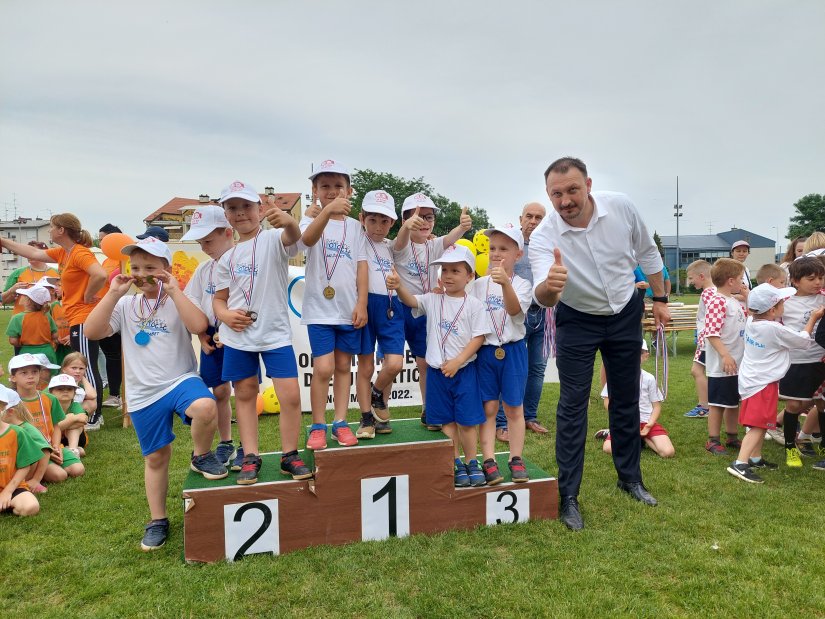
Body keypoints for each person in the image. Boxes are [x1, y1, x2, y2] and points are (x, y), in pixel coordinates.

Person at [530, 156, 665, 531]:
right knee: (572, 404)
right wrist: (550, 285)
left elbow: (648, 254)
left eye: (572, 190)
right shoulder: (544, 237)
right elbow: (543, 297)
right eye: (556, 194)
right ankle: (568, 496)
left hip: (624, 311)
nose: (565, 201)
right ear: (548, 194)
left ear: (588, 185)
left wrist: (661, 299)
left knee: (625, 396)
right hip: (577, 318)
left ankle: (630, 478)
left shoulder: (621, 206)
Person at [84, 236, 227, 551]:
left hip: (180, 379)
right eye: (135, 267)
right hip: (143, 393)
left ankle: (201, 455)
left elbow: (199, 323)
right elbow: (92, 331)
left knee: (205, 406)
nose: (141, 273)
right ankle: (158, 520)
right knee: (156, 457)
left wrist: (175, 290)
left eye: (150, 267)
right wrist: (112, 293)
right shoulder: (125, 303)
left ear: (166, 268)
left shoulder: (179, 297)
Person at [213, 183, 311, 484]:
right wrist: (225, 315)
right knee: (244, 394)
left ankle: (289, 455)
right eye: (233, 208)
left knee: (291, 396)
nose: (240, 213)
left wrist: (290, 221)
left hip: (275, 334)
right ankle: (250, 456)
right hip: (238, 337)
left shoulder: (272, 238)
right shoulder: (226, 258)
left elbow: (296, 239)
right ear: (226, 215)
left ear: (259, 209)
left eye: (246, 206)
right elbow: (219, 299)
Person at [387, 244, 490, 487]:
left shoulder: (474, 305)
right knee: (447, 421)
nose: (448, 276)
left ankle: (472, 461)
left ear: (470, 276)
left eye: (456, 271)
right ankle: (454, 461)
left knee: (466, 421)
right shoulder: (432, 299)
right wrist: (398, 284)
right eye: (445, 270)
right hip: (436, 373)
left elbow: (479, 338)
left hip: (463, 371)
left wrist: (457, 361)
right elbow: (411, 300)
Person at [0, 214, 108, 429]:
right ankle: (90, 411)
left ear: (61, 230)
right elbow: (32, 252)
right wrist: (3, 241)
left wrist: (87, 295)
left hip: (84, 318)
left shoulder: (79, 252)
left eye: (51, 227)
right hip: (77, 317)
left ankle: (95, 415)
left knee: (85, 367)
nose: (49, 231)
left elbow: (100, 275)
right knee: (83, 366)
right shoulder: (64, 253)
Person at [299, 160, 368, 451]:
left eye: (338, 186)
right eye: (324, 186)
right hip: (318, 309)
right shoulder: (310, 220)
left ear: (349, 191)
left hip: (347, 308)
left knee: (343, 367)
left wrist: (362, 303)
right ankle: (318, 424)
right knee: (323, 367)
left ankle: (340, 422)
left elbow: (362, 267)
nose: (331, 191)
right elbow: (306, 240)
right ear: (315, 190)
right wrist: (325, 213)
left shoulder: (356, 227)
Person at [392, 192, 473, 431]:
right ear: (405, 219)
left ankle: (430, 409)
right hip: (400, 308)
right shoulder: (401, 247)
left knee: (426, 363)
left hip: (425, 310)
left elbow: (449, 240)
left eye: (429, 217)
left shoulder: (434, 245)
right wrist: (407, 227)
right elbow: (399, 241)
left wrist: (462, 227)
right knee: (391, 362)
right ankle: (379, 411)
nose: (425, 222)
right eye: (418, 217)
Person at [728, 284, 823, 483]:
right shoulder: (772, 328)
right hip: (761, 383)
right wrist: (814, 317)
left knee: (763, 422)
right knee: (758, 425)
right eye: (781, 303)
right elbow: (802, 341)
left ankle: (755, 458)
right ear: (772, 310)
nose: (784, 305)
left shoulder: (752, 320)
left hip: (753, 381)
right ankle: (740, 463)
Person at [471, 224, 533, 484]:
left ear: (518, 254)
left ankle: (515, 458)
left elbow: (515, 313)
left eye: (504, 249)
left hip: (513, 351)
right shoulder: (477, 285)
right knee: (488, 408)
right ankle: (488, 459)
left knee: (514, 408)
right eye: (492, 248)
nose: (496, 254)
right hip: (485, 352)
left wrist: (505, 284)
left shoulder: (523, 285)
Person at [182, 205, 237, 469]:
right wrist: (203, 334)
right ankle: (226, 442)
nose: (204, 246)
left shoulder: (243, 262)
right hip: (213, 337)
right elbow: (192, 302)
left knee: (245, 390)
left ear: (228, 232)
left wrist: (228, 331)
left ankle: (248, 451)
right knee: (219, 391)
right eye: (200, 241)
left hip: (240, 333)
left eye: (208, 240)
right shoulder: (204, 269)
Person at [494, 202, 551, 443]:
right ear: (521, 218)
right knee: (510, 369)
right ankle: (501, 422)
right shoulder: (513, 246)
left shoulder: (547, 245)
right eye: (530, 216)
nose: (534, 221)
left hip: (545, 313)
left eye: (539, 217)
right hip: (517, 313)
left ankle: (530, 416)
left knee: (537, 368)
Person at [354, 190, 405, 439]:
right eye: (372, 220)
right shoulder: (356, 240)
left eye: (384, 221)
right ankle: (367, 418)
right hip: (365, 306)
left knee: (394, 363)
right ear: (362, 218)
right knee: (365, 366)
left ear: (392, 223)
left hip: (390, 305)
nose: (378, 227)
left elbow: (409, 242)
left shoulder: (391, 247)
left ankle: (377, 395)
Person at [777, 256, 825, 467]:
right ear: (795, 281)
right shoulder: (784, 304)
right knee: (794, 404)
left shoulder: (823, 297)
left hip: (820, 359)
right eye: (812, 278)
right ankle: (790, 446)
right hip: (796, 362)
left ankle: (822, 441)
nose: (818, 282)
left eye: (821, 278)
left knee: (822, 402)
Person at [9, 353, 85, 483]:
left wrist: (55, 446)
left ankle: (55, 459)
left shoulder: (49, 399)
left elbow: (56, 426)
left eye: (34, 371)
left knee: (78, 470)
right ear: (13, 377)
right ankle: (35, 471)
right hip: (32, 452)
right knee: (59, 476)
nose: (30, 376)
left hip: (51, 445)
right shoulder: (11, 403)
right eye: (24, 373)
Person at [598, 341, 674, 458]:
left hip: (646, 421)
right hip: (624, 421)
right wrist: (618, 417)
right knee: (608, 448)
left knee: (668, 452)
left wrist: (649, 426)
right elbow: (607, 400)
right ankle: (622, 434)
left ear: (645, 356)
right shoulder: (615, 376)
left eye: (638, 353)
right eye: (629, 352)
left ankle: (640, 438)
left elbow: (657, 406)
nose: (633, 356)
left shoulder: (649, 378)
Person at [703, 258, 746, 456]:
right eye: (740, 279)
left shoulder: (734, 300)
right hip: (723, 364)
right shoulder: (717, 302)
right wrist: (725, 355)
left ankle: (732, 435)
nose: (742, 283)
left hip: (736, 363)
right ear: (730, 281)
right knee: (718, 403)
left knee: (732, 401)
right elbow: (711, 332)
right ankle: (712, 440)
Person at [0, 385, 42, 516]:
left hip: (13, 486)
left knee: (31, 507)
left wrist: (7, 492)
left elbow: (25, 466)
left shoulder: (17, 433)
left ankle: (7, 500)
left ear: (3, 407)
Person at [683, 260, 715, 419]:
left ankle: (705, 406)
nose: (690, 282)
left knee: (696, 371)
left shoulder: (708, 293)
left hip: (707, 342)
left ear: (701, 276)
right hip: (709, 341)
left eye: (691, 278)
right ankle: (710, 404)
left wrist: (704, 338)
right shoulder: (714, 291)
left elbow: (712, 318)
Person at [98, 224, 124, 409]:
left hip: (120, 312)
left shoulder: (125, 260)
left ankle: (118, 393)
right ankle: (114, 393)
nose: (100, 243)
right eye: (99, 240)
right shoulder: (106, 261)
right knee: (111, 355)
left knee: (117, 355)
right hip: (105, 312)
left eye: (103, 239)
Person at [1, 240, 59, 315]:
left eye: (32, 251)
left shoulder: (57, 273)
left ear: (44, 253)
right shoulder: (17, 273)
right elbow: (3, 300)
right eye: (27, 251)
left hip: (49, 319)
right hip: (23, 319)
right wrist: (12, 290)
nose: (28, 254)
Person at [5, 284, 58, 364]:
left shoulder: (17, 318)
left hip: (27, 352)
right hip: (47, 351)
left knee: (29, 374)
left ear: (28, 301)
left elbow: (13, 340)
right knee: (49, 375)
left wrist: (21, 344)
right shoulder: (46, 316)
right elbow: (55, 335)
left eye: (24, 296)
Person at [49, 374, 89, 458]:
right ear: (51, 392)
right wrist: (72, 418)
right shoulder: (48, 406)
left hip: (75, 439)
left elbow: (83, 420)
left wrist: (64, 424)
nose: (65, 391)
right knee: (71, 419)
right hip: (54, 440)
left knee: (75, 426)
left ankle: (73, 450)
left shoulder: (75, 405)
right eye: (60, 389)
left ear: (74, 393)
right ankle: (76, 450)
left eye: (69, 389)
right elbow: (49, 430)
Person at [60, 352, 97, 417]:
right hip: (59, 414)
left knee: (92, 403)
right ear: (64, 369)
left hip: (72, 411)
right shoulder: (61, 382)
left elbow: (92, 395)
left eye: (81, 368)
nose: (78, 371)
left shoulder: (78, 383)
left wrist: (82, 377)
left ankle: (78, 422)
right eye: (74, 368)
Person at [729, 239, 751, 305]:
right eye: (738, 251)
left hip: (745, 307)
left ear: (748, 253)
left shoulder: (746, 270)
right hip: (731, 307)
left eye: (744, 251)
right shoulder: (727, 269)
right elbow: (721, 292)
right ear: (732, 253)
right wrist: (744, 297)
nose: (741, 253)